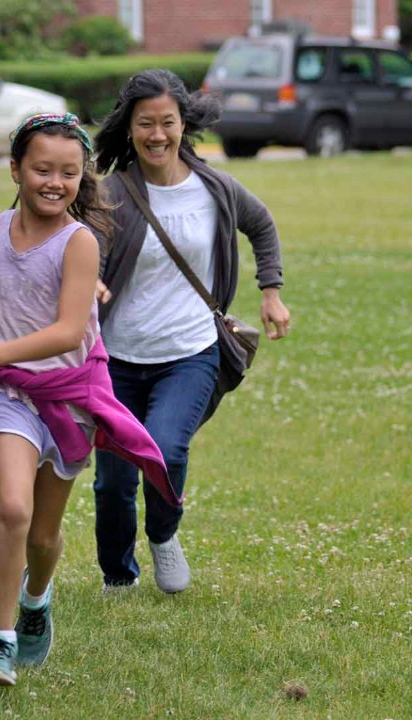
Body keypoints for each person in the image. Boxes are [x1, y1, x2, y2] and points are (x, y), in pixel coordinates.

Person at [0, 113, 177, 687]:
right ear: (15, 169)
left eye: (68, 173)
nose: (54, 182)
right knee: (12, 509)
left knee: (43, 534)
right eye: (41, 169)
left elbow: (68, 332)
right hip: (9, 394)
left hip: (69, 398)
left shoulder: (81, 242)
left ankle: (37, 599)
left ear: (80, 179)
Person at [91, 69, 291, 594]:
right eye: (145, 124)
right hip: (115, 360)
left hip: (190, 351)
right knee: (113, 481)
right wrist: (86, 280)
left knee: (165, 449)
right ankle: (118, 574)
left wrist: (270, 291)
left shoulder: (215, 188)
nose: (157, 135)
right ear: (129, 129)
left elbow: (261, 224)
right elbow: (81, 247)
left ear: (184, 125)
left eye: (167, 123)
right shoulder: (110, 192)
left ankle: (163, 534)